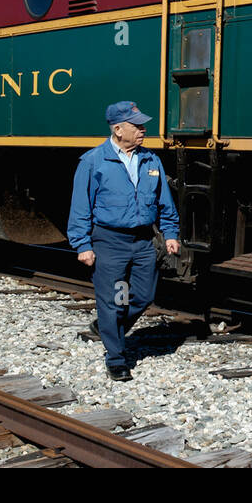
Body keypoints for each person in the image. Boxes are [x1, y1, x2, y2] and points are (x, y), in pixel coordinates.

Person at [67, 101, 180, 381]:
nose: (143, 130)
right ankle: (116, 358)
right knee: (114, 301)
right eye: (137, 126)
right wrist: (82, 245)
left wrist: (171, 233)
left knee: (142, 296)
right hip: (110, 243)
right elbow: (80, 207)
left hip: (142, 241)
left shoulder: (151, 160)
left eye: (142, 126)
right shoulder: (93, 162)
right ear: (118, 129)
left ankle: (107, 326)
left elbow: (164, 201)